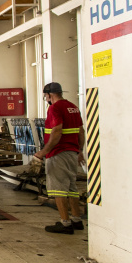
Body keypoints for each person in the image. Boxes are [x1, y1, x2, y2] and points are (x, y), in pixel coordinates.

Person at [33, 82, 86, 234]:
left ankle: (65, 223)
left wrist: (43, 152)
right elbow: (80, 132)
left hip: (58, 153)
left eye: (45, 96)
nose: (46, 98)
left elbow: (57, 131)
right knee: (71, 188)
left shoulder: (54, 108)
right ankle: (76, 220)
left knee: (59, 189)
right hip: (72, 152)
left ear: (49, 95)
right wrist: (79, 150)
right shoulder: (73, 107)